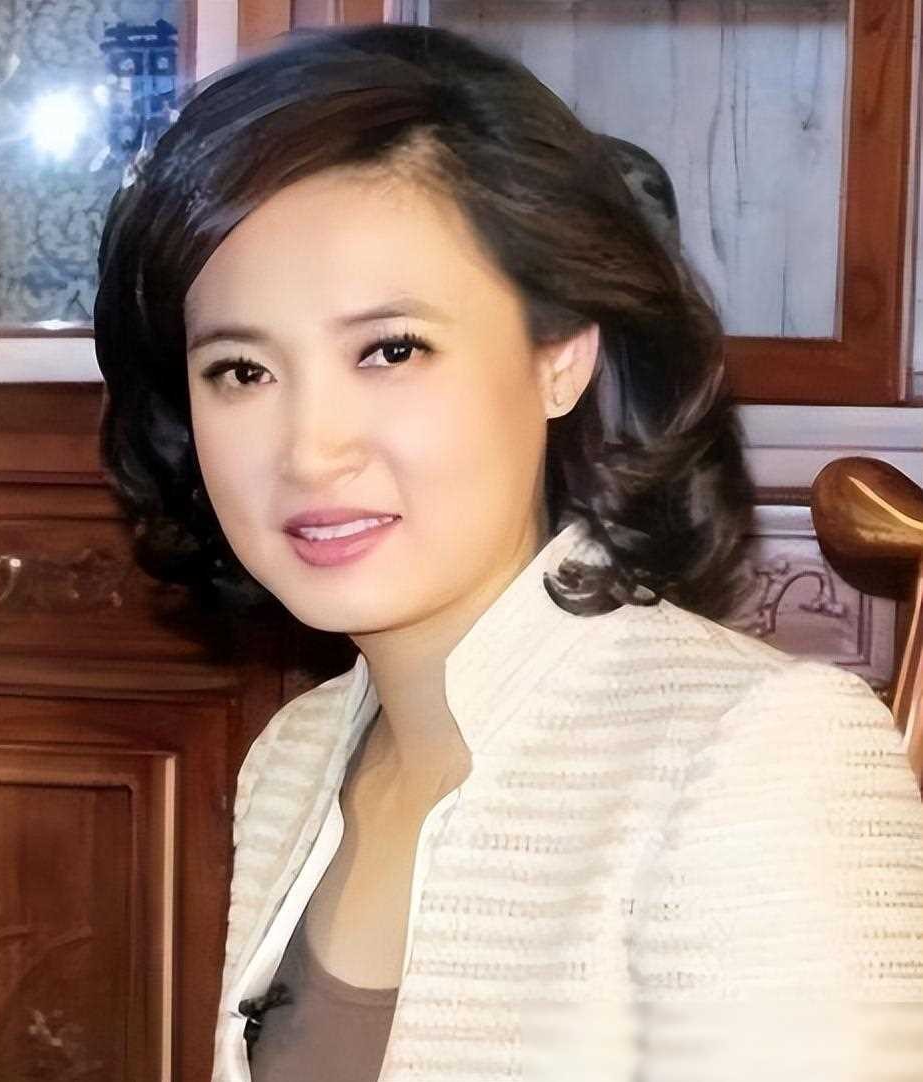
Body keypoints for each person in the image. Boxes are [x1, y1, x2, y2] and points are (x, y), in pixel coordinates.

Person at [92, 23, 923, 1082]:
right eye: (242, 371)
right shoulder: (293, 759)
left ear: (559, 359)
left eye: (391, 350)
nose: (308, 449)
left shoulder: (755, 754)